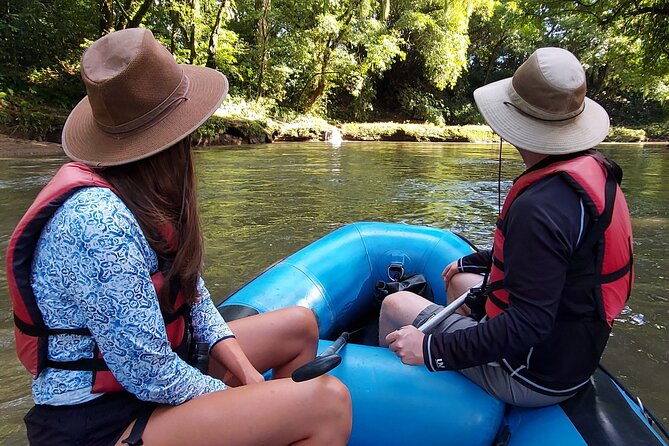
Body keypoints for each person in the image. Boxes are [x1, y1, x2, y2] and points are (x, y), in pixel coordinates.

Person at [6, 28, 351, 446]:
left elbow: (194, 296)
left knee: (300, 326)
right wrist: (244, 401)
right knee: (328, 401)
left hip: (152, 377)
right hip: (101, 421)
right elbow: (151, 375)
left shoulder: (140, 192)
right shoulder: (97, 224)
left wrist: (246, 376)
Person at [378, 47, 634, 407]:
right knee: (461, 281)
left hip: (534, 374)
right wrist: (473, 261)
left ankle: (398, 403)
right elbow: (556, 258)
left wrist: (432, 347)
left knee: (395, 303)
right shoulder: (593, 175)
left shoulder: (539, 207)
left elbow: (529, 325)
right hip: (572, 354)